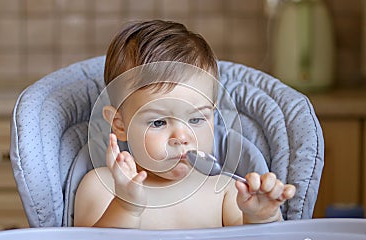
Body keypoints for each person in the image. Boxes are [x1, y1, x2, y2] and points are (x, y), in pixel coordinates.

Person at [74, 20, 296, 229]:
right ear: (119, 125)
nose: (181, 137)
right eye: (159, 122)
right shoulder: (102, 187)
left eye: (197, 119)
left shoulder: (226, 193)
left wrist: (261, 218)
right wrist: (126, 207)